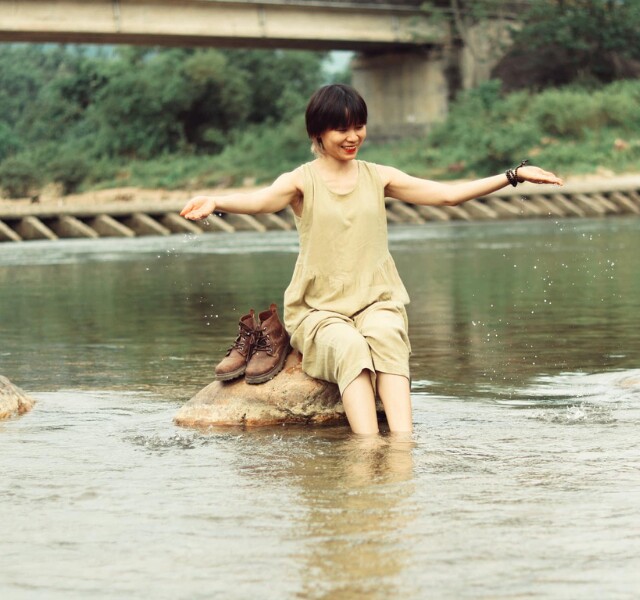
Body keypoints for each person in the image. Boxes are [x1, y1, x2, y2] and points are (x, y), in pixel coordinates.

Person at [180, 84, 563, 436]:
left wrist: (513, 175)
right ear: (318, 134)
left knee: (386, 337)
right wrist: (217, 201)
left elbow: (449, 195)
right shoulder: (301, 181)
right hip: (319, 309)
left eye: (359, 126)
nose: (353, 138)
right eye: (341, 129)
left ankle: (402, 444)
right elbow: (261, 201)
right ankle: (367, 448)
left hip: (375, 300)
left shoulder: (378, 176)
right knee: (349, 348)